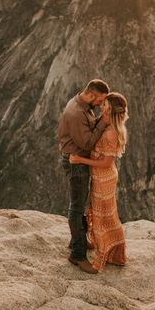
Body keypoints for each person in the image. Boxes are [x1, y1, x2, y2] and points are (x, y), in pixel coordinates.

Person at [69, 92, 128, 273]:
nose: (101, 107)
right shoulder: (108, 125)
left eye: (105, 106)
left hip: (104, 177)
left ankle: (104, 255)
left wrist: (80, 160)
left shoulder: (111, 133)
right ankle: (116, 253)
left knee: (103, 218)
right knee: (104, 214)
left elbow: (106, 163)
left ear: (111, 110)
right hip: (101, 177)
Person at [58, 79, 110, 274]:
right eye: (101, 100)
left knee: (78, 203)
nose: (100, 104)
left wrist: (98, 120)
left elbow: (87, 130)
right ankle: (77, 255)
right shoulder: (76, 113)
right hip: (76, 162)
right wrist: (104, 123)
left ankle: (76, 240)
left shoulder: (83, 105)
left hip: (76, 160)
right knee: (77, 207)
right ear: (92, 94)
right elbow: (87, 143)